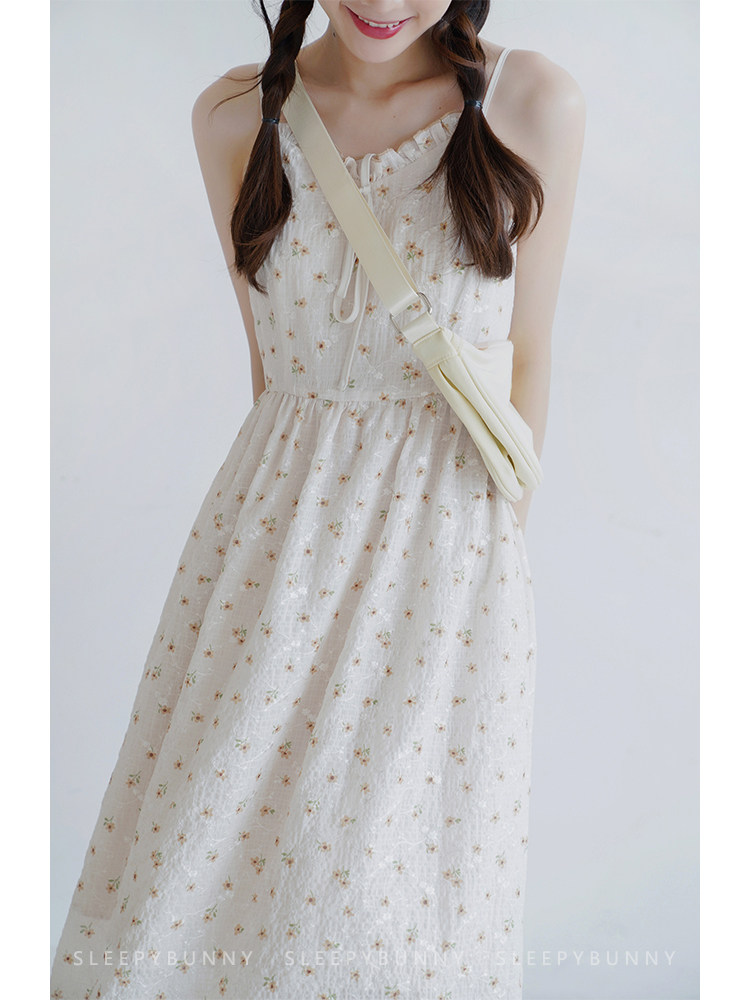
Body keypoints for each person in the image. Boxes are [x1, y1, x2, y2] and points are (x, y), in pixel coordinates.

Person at [51, 1, 585, 997]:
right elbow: (273, 374)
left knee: (386, 903)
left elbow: (528, 359)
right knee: (207, 863)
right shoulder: (232, 116)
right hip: (270, 555)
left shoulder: (531, 101)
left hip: (442, 568)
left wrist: (481, 562)